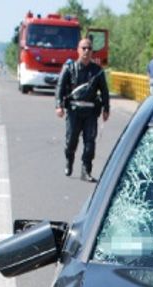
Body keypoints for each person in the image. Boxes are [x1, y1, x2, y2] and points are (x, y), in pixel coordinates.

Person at [55, 37, 110, 182]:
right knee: (71, 140)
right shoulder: (69, 68)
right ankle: (69, 160)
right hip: (74, 110)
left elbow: (104, 91)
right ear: (78, 50)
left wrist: (106, 108)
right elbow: (60, 88)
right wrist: (58, 106)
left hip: (91, 111)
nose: (86, 51)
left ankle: (86, 170)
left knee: (90, 142)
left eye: (89, 48)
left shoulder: (97, 71)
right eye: (83, 48)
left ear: (92, 52)